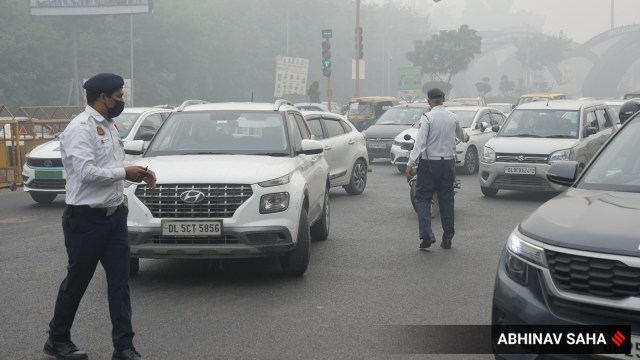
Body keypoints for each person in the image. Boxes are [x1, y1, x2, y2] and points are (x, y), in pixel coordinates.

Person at [44, 73, 155, 360]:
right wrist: (124, 172)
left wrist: (137, 171)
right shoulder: (81, 128)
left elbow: (114, 164)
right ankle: (57, 339)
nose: (122, 100)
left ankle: (123, 347)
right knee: (77, 282)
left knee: (119, 284)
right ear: (103, 97)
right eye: (118, 96)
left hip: (114, 217)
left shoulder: (109, 125)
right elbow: (85, 172)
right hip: (85, 220)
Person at [405, 88, 467, 250]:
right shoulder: (453, 117)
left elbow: (420, 143)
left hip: (429, 164)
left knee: (422, 198)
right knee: (447, 200)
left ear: (429, 101)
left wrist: (410, 163)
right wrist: (466, 137)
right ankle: (447, 239)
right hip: (448, 164)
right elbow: (462, 136)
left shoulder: (427, 118)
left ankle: (427, 234)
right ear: (443, 99)